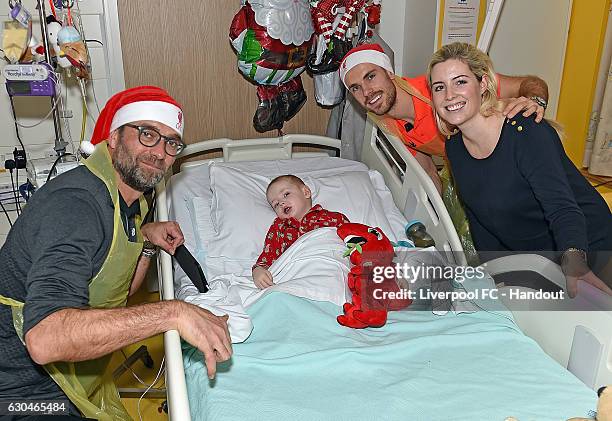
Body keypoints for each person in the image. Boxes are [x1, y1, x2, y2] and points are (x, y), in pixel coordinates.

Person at [0, 86, 232, 420]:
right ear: (113, 138)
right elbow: (45, 339)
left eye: (171, 143)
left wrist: (147, 244)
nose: (159, 153)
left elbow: (118, 292)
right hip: (21, 391)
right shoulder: (76, 207)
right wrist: (174, 313)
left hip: (70, 377)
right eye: (147, 134)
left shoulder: (132, 198)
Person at [426, 41, 612, 297]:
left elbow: (563, 208)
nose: (449, 95)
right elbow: (481, 220)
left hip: (586, 247)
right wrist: (493, 273)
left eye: (460, 82)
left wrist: (574, 261)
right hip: (538, 261)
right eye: (439, 87)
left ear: (482, 85)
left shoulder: (526, 132)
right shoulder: (455, 148)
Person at [339, 43, 549, 193]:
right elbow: (429, 173)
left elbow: (531, 83)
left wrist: (535, 103)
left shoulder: (439, 88)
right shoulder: (390, 123)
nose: (366, 92)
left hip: (519, 164)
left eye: (371, 76)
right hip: (480, 176)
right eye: (355, 88)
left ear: (389, 73)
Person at [252, 175, 349, 289]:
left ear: (306, 192)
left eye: (286, 194)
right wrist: (258, 270)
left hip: (330, 270)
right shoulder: (279, 227)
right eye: (276, 204)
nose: (282, 203)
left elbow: (357, 240)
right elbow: (269, 254)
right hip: (297, 276)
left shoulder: (333, 218)